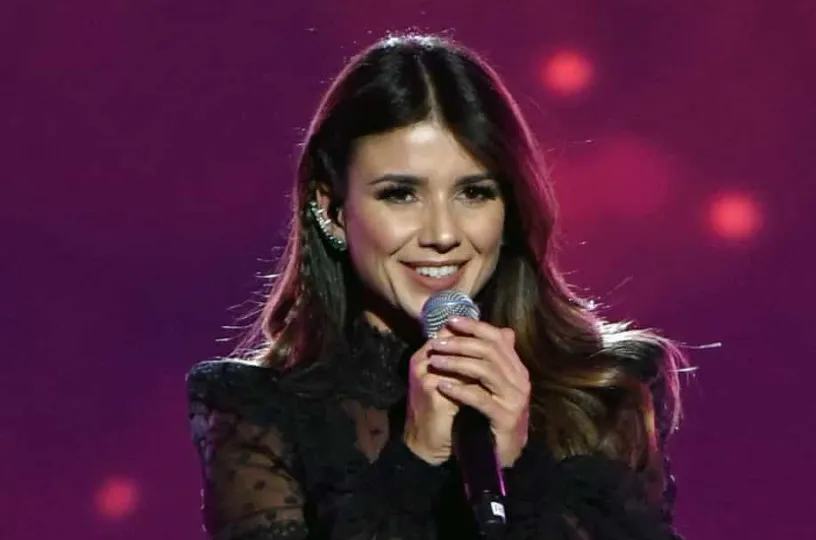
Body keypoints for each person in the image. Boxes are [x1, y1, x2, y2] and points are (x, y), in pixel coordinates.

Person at [186, 32, 688, 540]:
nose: (443, 235)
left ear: (510, 209)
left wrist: (517, 471)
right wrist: (417, 461)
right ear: (331, 210)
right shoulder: (258, 412)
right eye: (400, 194)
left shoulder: (608, 389)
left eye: (474, 193)